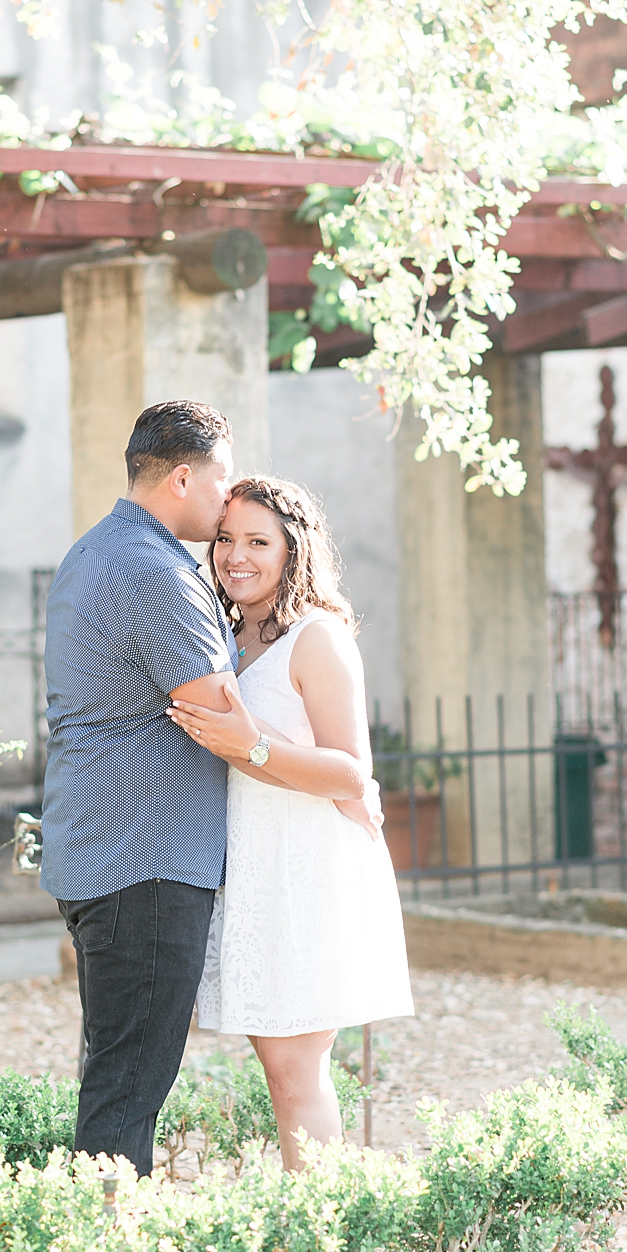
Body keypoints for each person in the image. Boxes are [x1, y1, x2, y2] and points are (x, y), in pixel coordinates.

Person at [170, 475, 414, 1170]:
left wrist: (252, 743)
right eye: (225, 539)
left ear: (293, 549)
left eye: (257, 541)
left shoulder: (318, 638)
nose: (235, 555)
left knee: (298, 1067)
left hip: (310, 866)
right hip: (254, 869)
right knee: (281, 1068)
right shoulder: (222, 633)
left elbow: (351, 772)